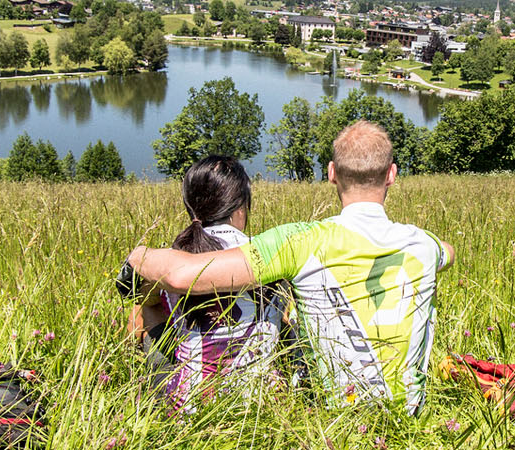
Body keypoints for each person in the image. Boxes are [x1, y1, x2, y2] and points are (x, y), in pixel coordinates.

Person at [125, 121, 454, 415]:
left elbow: (183, 275)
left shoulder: (299, 241)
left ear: (332, 173)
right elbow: (447, 253)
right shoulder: (425, 245)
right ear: (392, 174)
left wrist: (138, 256)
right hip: (409, 415)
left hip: (333, 415)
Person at [125, 155, 285, 413]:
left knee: (144, 310)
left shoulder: (178, 259)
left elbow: (142, 307)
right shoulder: (268, 252)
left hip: (190, 409)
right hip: (259, 410)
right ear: (240, 207)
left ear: (191, 207)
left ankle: (144, 389)